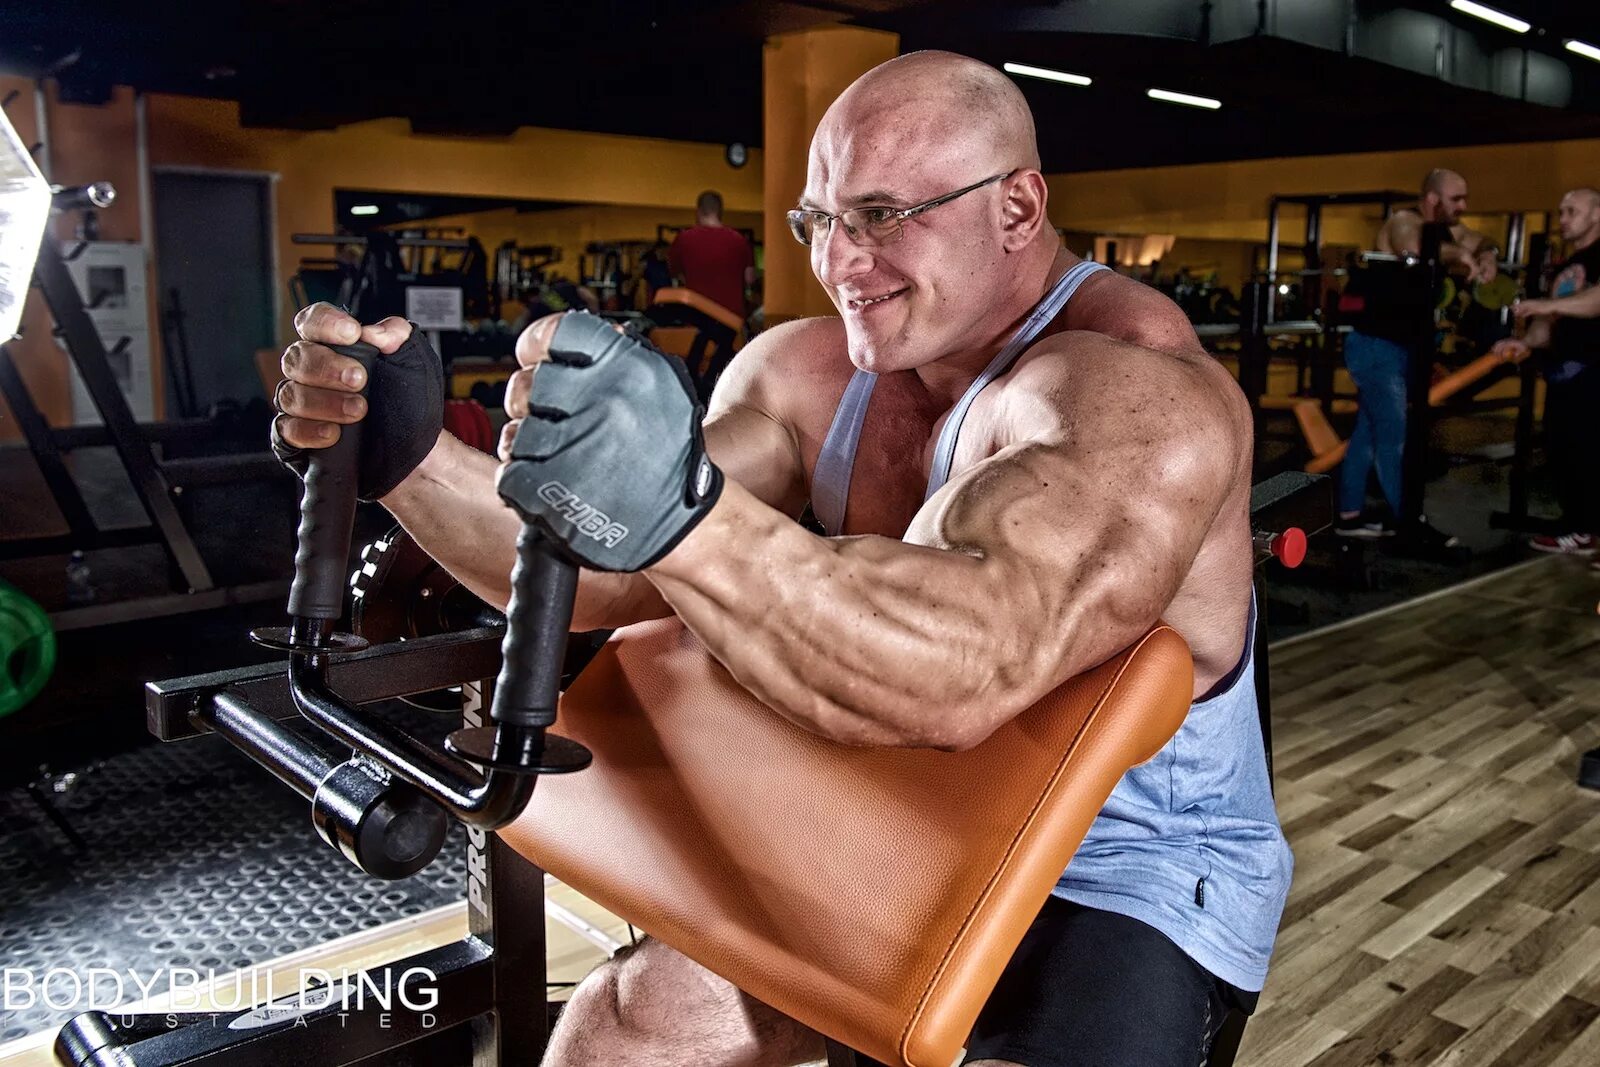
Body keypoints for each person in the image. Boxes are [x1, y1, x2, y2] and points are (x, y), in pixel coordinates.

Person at [271, 51, 1290, 1067]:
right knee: (620, 1034)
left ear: (1017, 209)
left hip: (1124, 873)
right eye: (822, 221)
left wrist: (678, 509)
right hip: (900, 829)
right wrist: (407, 458)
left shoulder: (1137, 396)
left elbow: (963, 667)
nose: (842, 264)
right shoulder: (807, 374)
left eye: (884, 216)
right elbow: (598, 562)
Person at [1335, 168, 1499, 545]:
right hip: (1375, 347)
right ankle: (1408, 522)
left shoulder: (1446, 229)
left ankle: (1348, 516)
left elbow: (1480, 238)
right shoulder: (1404, 220)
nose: (1464, 206)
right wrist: (1460, 253)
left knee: (1368, 435)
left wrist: (1487, 254)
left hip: (1400, 347)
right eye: (1457, 199)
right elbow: (1412, 246)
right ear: (1433, 199)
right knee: (1395, 436)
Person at [1496, 187, 1600, 557]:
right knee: (1565, 451)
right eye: (1561, 211)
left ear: (1597, 215)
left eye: (1572, 210)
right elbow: (1548, 322)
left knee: (1590, 451)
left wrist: (1546, 303)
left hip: (1594, 372)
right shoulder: (1563, 266)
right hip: (1565, 375)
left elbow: (1594, 302)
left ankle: (1585, 528)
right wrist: (1526, 342)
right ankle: (1581, 528)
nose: (1564, 218)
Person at [668, 189, 756, 319]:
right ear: (720, 212)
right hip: (732, 320)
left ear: (698, 211)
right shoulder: (739, 240)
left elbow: (674, 274)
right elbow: (750, 278)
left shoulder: (683, 239)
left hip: (696, 316)